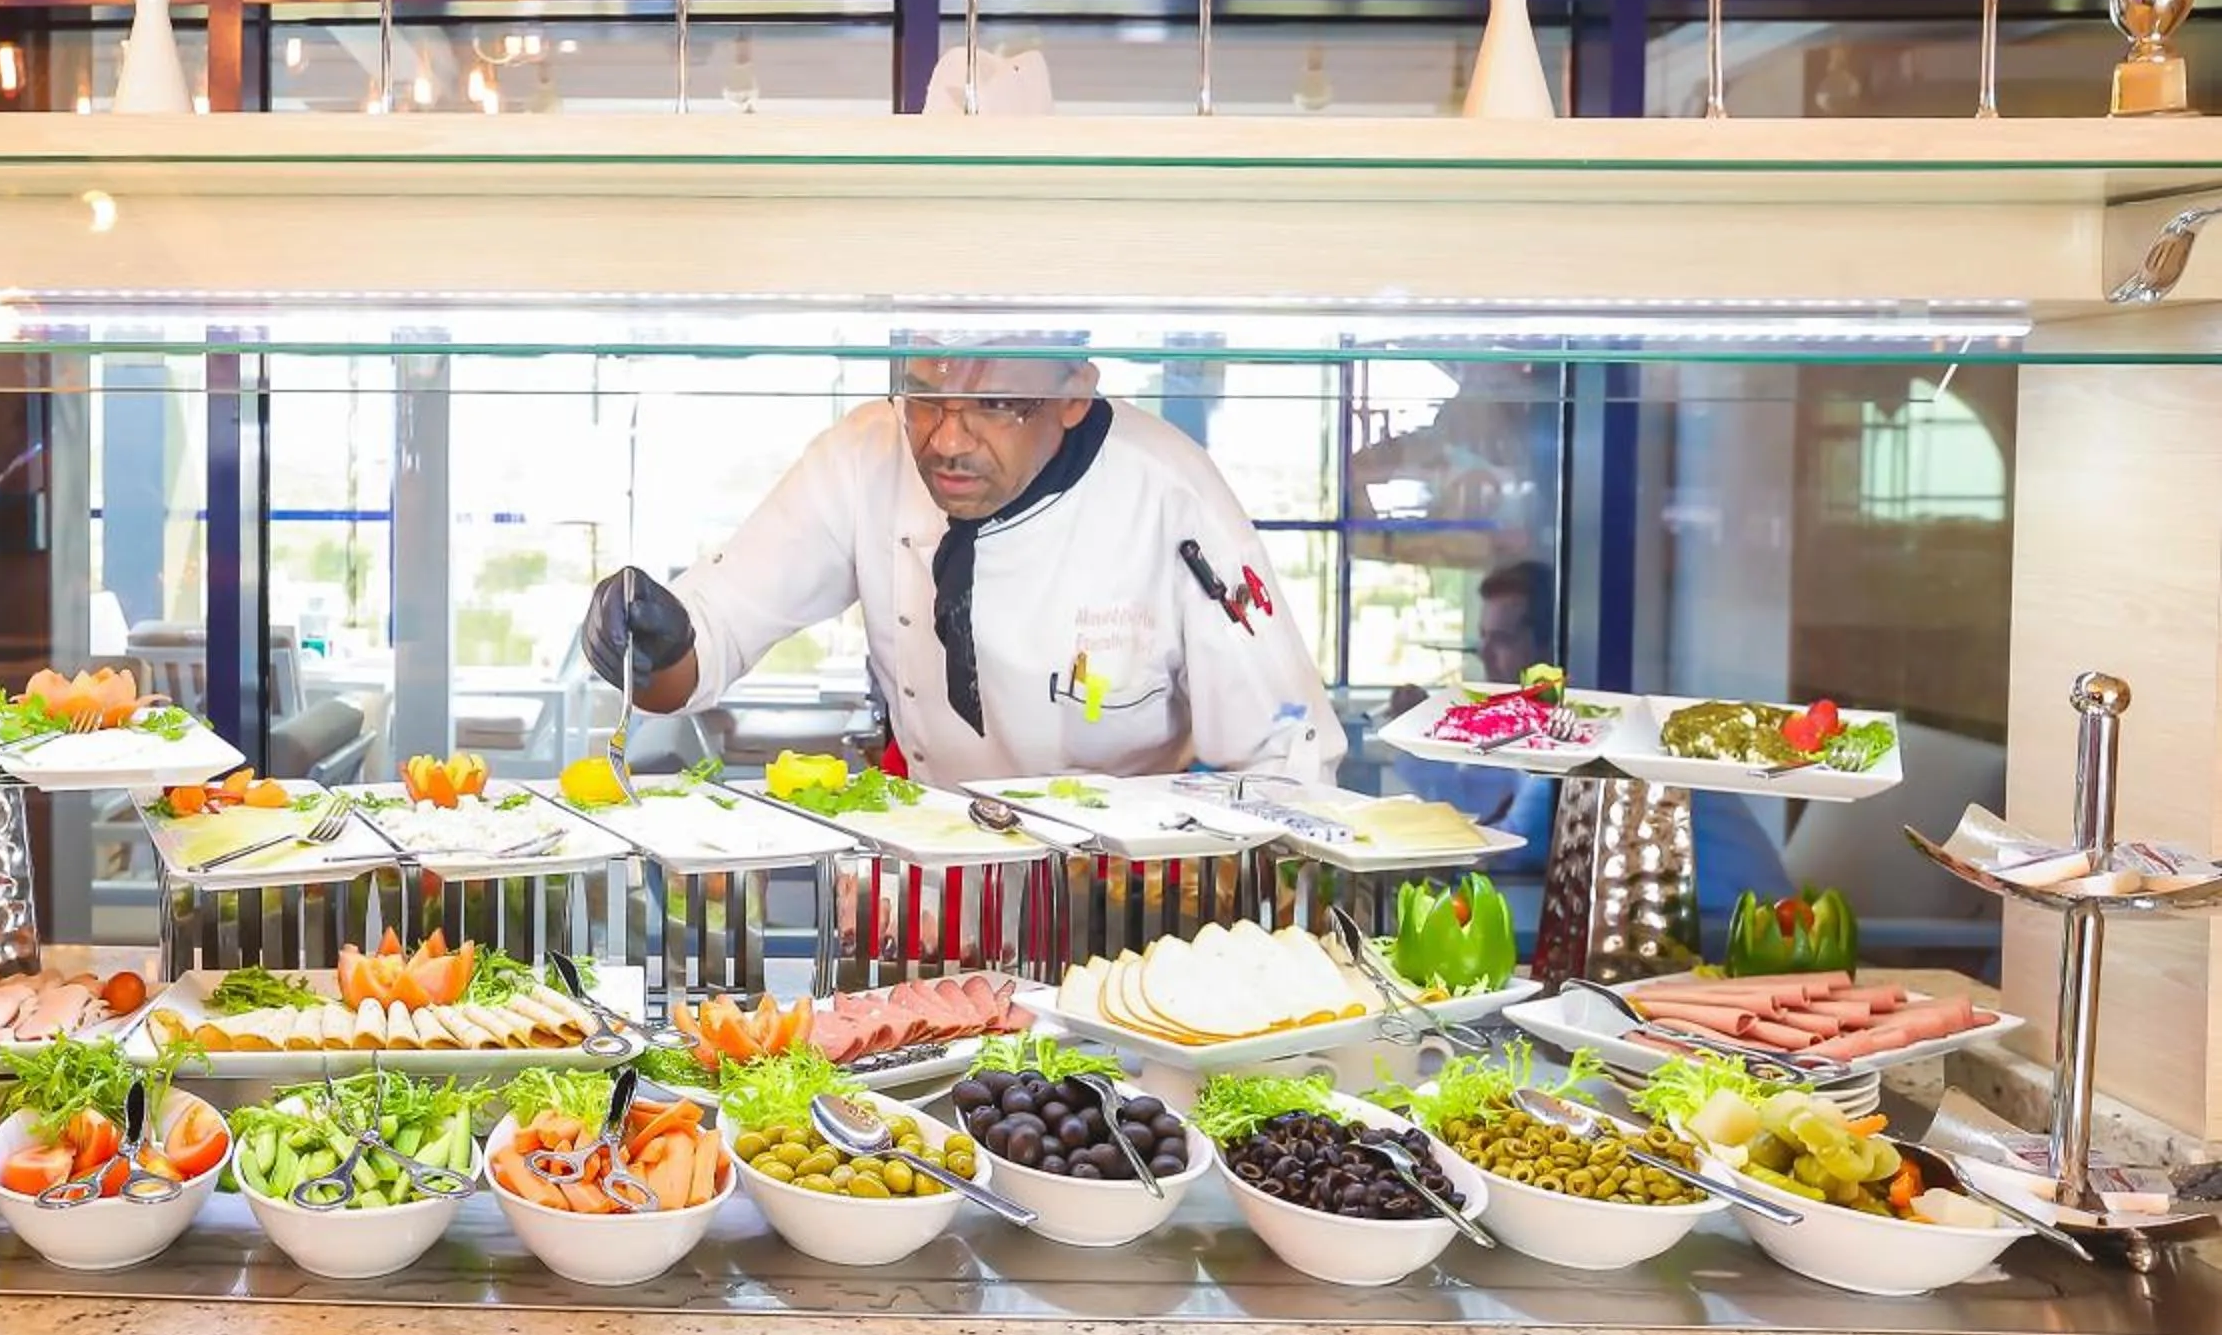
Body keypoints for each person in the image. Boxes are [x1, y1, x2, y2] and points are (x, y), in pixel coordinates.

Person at [578, 353, 1342, 786]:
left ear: (1074, 393)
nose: (946, 440)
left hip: (1111, 918)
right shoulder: (864, 457)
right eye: (923, 395)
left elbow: (1287, 758)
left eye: (994, 404)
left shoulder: (1169, 492)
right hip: (929, 903)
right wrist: (649, 639)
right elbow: (705, 645)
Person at [1389, 560, 1788, 914]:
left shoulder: (1584, 724)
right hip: (1686, 912)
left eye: (1502, 640)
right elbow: (1481, 795)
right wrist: (1417, 733)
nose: (1486, 655)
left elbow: (1515, 846)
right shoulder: (1539, 719)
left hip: (1740, 918)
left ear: (1545, 645)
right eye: (1484, 638)